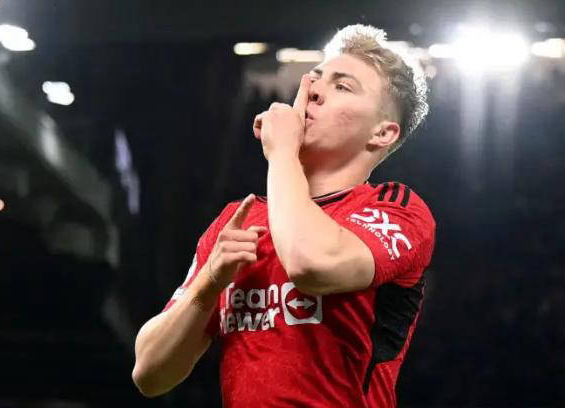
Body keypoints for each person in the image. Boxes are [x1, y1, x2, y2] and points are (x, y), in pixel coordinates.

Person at [132, 24, 436, 407]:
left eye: (343, 87)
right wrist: (209, 282)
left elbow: (310, 263)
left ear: (382, 133)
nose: (313, 91)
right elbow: (149, 373)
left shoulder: (395, 209)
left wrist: (282, 153)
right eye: (316, 78)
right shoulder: (240, 220)